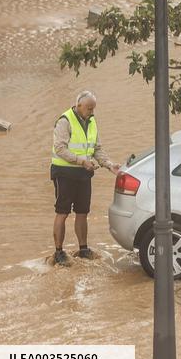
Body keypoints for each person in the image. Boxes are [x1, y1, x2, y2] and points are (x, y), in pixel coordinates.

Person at [51, 91, 120, 266]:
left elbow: (96, 148)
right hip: (65, 173)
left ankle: (83, 249)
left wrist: (109, 164)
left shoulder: (92, 121)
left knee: (83, 212)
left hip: (83, 174)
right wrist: (82, 161)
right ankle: (59, 252)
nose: (91, 111)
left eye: (93, 108)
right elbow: (60, 149)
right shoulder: (64, 121)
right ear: (79, 105)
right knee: (63, 212)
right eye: (89, 108)